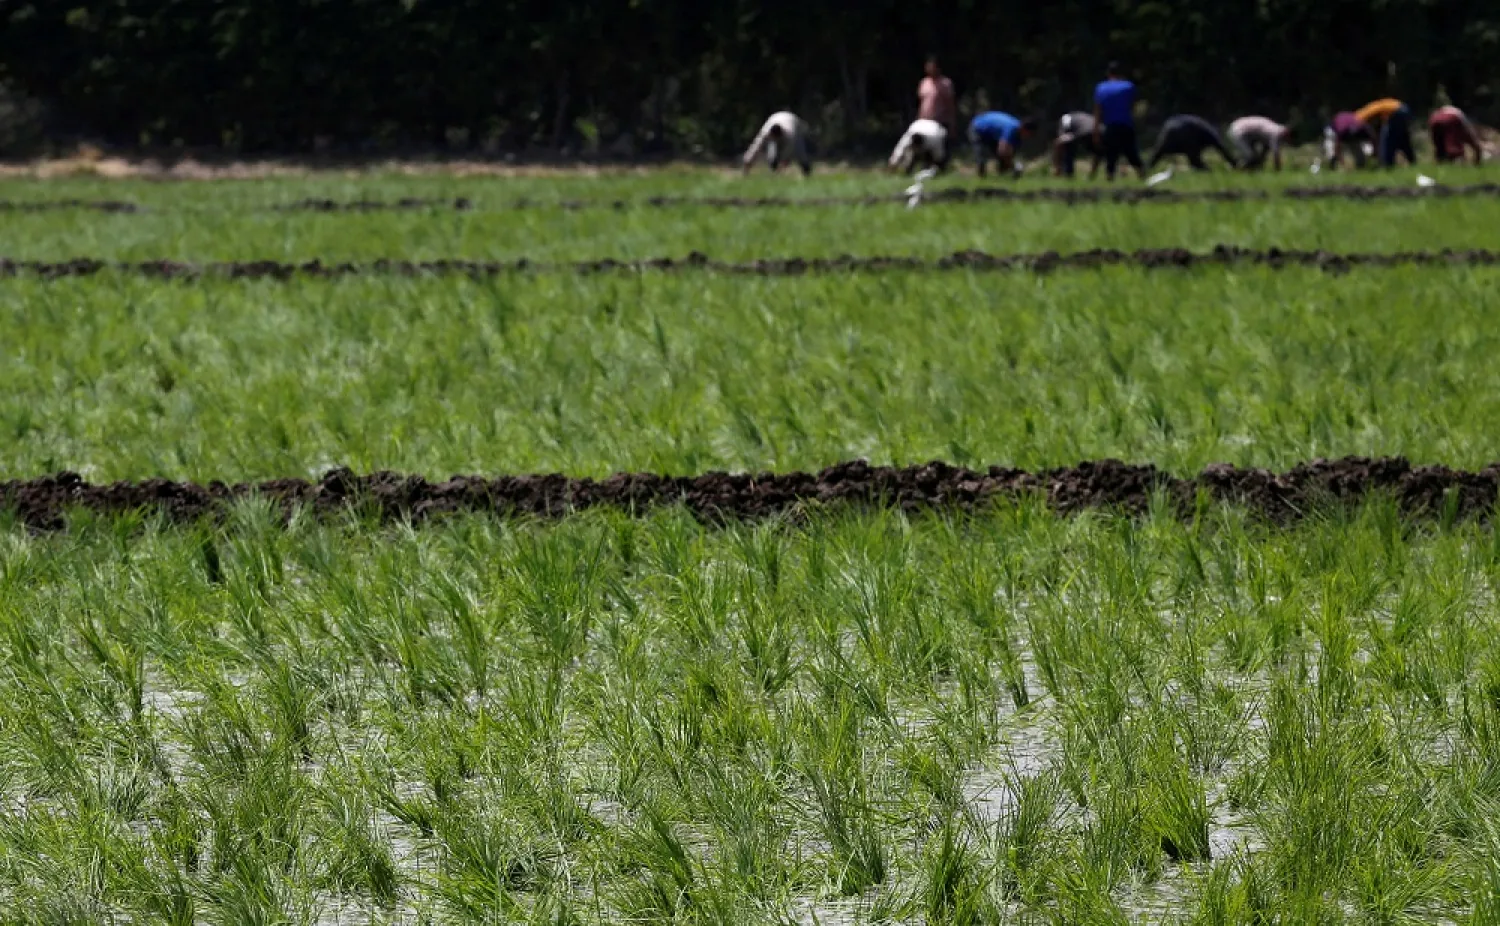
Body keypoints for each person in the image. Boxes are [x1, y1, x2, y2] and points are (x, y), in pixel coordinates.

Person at [1093, 62, 1144, 180]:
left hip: (1110, 126)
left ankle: (1110, 178)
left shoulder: (1101, 87)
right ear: (1121, 74)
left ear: (1108, 73)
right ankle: (1142, 176)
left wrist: (1095, 131)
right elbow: (1133, 107)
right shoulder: (1129, 86)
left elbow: (1098, 111)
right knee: (1132, 153)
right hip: (1126, 125)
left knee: (1111, 156)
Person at [1147, 115, 1240, 170]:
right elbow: (1221, 148)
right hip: (1184, 129)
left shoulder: (1203, 128)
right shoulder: (1209, 132)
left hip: (1170, 127)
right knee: (1193, 155)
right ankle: (1202, 169)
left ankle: (1147, 167)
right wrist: (1233, 163)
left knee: (1161, 150)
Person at [741, 111, 812, 175]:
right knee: (772, 152)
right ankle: (773, 169)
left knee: (800, 150)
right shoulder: (766, 132)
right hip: (775, 118)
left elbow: (787, 153)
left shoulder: (791, 134)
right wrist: (747, 161)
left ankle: (806, 171)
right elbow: (756, 146)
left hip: (793, 121)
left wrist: (782, 165)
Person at [969, 111, 1036, 177]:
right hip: (977, 128)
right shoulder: (1011, 128)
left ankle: (1002, 176)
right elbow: (1001, 150)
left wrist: (1010, 163)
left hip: (991, 134)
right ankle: (981, 178)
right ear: (1024, 129)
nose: (1029, 137)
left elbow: (1009, 152)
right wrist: (1013, 166)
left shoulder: (1018, 134)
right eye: (1030, 134)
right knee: (981, 155)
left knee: (1004, 157)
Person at [1355, 98, 1415, 167]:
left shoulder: (1360, 117)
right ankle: (1412, 160)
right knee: (1402, 138)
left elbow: (1371, 130)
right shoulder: (1369, 109)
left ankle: (1388, 164)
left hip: (1396, 112)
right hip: (1404, 109)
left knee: (1388, 140)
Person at [918, 57, 958, 140]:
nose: (930, 69)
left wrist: (952, 124)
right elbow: (921, 103)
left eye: (932, 67)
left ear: (937, 68)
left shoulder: (946, 83)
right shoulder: (924, 83)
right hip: (925, 122)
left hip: (940, 121)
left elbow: (950, 105)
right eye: (928, 67)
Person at [1053, 111, 1101, 177]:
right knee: (1097, 151)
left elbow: (1061, 140)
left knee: (1066, 146)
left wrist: (1057, 165)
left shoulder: (1065, 118)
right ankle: (1092, 174)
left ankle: (1066, 173)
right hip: (1098, 129)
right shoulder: (1083, 115)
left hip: (1083, 131)